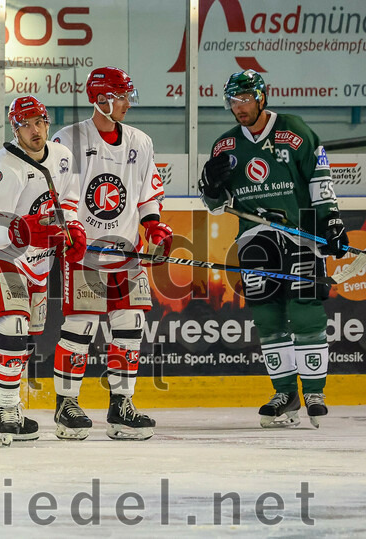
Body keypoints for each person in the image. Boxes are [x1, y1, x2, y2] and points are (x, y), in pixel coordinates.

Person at [199, 69, 345, 429]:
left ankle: (314, 392)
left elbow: (319, 177)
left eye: (245, 99)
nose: (239, 107)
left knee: (306, 310)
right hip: (255, 237)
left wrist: (331, 220)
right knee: (267, 317)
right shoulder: (225, 146)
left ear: (262, 98)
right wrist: (211, 186)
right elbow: (215, 205)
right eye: (233, 101)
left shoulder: (294, 130)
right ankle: (285, 393)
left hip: (302, 231)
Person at [49, 67, 172, 441]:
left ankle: (122, 404)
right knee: (81, 326)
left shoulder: (141, 142)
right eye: (120, 97)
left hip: (128, 251)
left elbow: (147, 193)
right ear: (100, 99)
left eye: (126, 96)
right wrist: (71, 228)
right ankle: (66, 404)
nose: (126, 104)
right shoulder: (68, 139)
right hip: (84, 252)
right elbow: (58, 194)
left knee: (131, 326)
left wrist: (153, 225)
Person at [0, 95, 87, 442]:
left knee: (23, 338)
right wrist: (31, 228)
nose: (35, 131)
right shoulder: (5, 166)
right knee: (13, 325)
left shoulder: (62, 156)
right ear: (15, 129)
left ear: (47, 123)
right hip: (0, 254)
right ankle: (8, 408)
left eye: (39, 123)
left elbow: (68, 200)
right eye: (26, 125)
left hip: (37, 259)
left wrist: (73, 229)